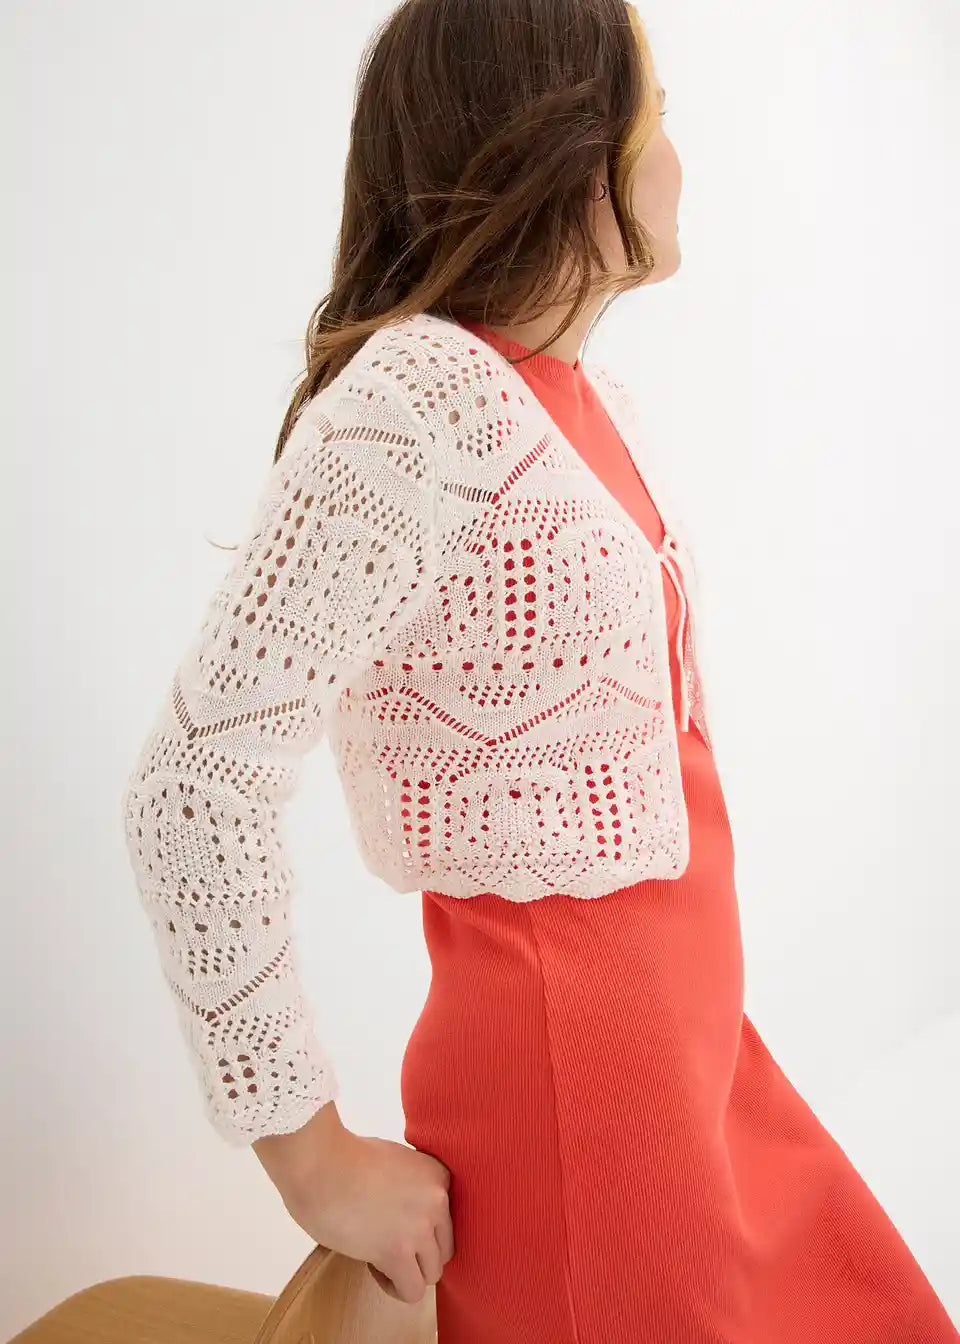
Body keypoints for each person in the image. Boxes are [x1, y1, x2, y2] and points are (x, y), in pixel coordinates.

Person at [120, 1, 958, 1339]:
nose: (677, 156)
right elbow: (193, 788)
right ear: (566, 150)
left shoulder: (582, 401)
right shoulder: (411, 408)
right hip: (588, 1108)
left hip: (695, 1055)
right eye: (656, 119)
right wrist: (312, 1160)